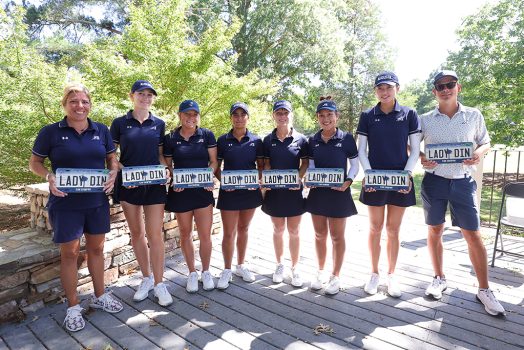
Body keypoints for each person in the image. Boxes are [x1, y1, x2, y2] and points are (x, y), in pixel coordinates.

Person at [29, 83, 123, 332]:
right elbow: (35, 162)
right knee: (69, 254)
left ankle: (100, 295)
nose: (80, 106)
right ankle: (72, 307)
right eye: (74, 101)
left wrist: (113, 172)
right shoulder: (50, 132)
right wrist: (48, 176)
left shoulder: (101, 130)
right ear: (65, 104)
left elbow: (112, 159)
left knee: (97, 249)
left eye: (84, 101)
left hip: (96, 202)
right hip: (65, 203)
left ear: (89, 104)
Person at [420, 70, 505, 316]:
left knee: (473, 234)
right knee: (435, 229)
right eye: (441, 86)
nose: (446, 89)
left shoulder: (474, 115)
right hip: (435, 182)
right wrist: (423, 157)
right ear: (435, 91)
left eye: (450, 84)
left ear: (459, 87)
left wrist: (480, 153)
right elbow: (410, 144)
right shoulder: (425, 119)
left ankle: (484, 289)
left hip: (463, 181)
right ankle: (438, 277)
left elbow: (485, 141)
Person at [357, 71, 420, 298]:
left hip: (399, 180)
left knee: (393, 230)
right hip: (375, 180)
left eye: (388, 88)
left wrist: (407, 175)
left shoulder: (409, 114)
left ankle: (392, 275)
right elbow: (361, 150)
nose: (384, 92)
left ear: (397, 89)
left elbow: (414, 150)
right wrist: (369, 174)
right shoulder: (367, 115)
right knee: (375, 229)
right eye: (380, 89)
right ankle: (374, 274)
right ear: (376, 91)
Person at [110, 80, 172, 306]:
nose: (145, 98)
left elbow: (160, 154)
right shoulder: (119, 123)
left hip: (154, 185)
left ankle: (159, 283)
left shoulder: (159, 124)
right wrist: (123, 171)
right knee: (137, 234)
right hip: (130, 185)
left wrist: (165, 168)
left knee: (155, 234)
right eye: (141, 94)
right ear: (132, 96)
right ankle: (145, 279)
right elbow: (111, 155)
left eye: (149, 95)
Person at [305, 97, 359, 295]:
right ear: (317, 118)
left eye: (330, 115)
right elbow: (311, 166)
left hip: (339, 193)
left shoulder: (346, 138)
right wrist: (309, 179)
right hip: (318, 193)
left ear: (337, 116)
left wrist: (349, 181)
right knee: (319, 235)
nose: (326, 119)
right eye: (322, 115)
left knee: (337, 236)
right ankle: (320, 272)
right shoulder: (313, 140)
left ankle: (335, 276)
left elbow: (354, 165)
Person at [164, 100, 218, 293]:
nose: (191, 118)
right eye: (187, 114)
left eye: (195, 114)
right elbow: (167, 166)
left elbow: (213, 162)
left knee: (205, 235)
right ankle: (192, 273)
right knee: (185, 234)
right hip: (181, 193)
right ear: (180, 115)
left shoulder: (207, 135)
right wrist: (172, 180)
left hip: (203, 191)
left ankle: (206, 271)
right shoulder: (170, 137)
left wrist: (209, 175)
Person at [215, 102, 264, 289]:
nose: (239, 118)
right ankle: (227, 269)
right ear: (231, 118)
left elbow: (261, 167)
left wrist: (257, 181)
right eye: (235, 115)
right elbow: (216, 167)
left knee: (243, 229)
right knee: (229, 232)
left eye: (243, 115)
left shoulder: (256, 141)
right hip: (229, 192)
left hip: (250, 192)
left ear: (248, 118)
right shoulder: (222, 140)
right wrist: (224, 182)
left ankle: (240, 266)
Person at [262, 100, 309, 287]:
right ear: (274, 116)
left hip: (293, 191)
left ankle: (295, 267)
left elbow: (304, 163)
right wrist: (267, 179)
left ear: (291, 115)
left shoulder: (302, 139)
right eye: (278, 113)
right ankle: (279, 264)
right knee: (278, 229)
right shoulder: (267, 140)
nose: (282, 116)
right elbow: (266, 164)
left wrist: (298, 178)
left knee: (294, 230)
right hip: (275, 192)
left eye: (285, 113)